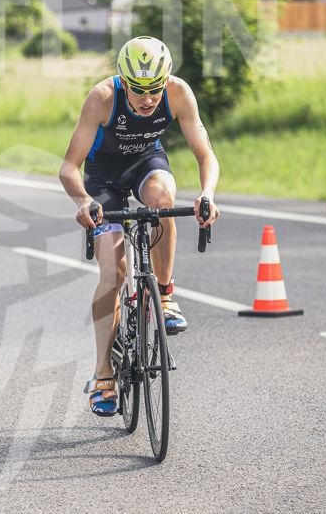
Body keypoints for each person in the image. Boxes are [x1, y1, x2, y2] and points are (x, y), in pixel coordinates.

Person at [59, 36, 220, 417]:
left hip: (146, 162)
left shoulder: (178, 93)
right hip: (102, 177)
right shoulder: (102, 98)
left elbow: (206, 155)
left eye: (154, 89)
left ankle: (163, 295)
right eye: (138, 90)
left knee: (163, 203)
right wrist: (83, 201)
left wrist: (207, 194)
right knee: (114, 274)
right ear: (123, 81)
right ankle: (103, 374)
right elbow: (69, 167)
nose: (148, 99)